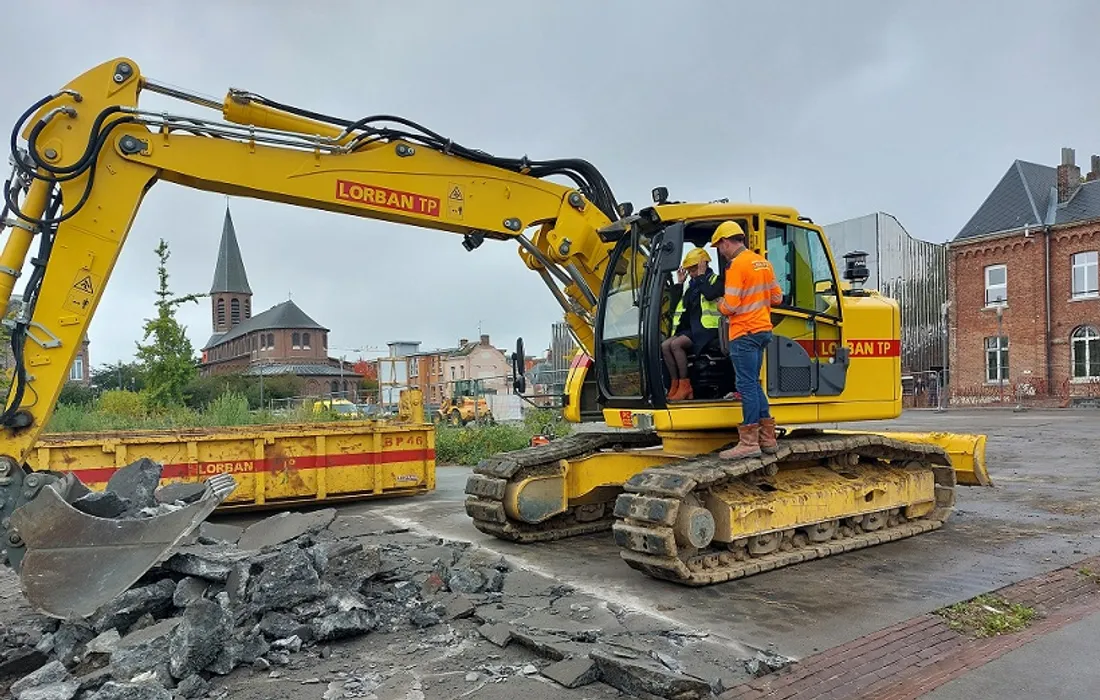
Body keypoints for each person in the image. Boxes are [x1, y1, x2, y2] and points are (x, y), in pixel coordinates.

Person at [710, 220, 783, 459]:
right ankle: (768, 439)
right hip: (762, 329)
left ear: (726, 242)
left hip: (744, 332)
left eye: (719, 246)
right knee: (754, 383)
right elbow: (777, 298)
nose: (720, 251)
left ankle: (749, 443)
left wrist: (719, 304)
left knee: (746, 385)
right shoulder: (763, 263)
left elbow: (730, 306)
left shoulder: (736, 266)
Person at [661, 247, 723, 400]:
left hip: (707, 330)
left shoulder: (716, 280)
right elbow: (676, 307)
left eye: (694, 269)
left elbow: (710, 295)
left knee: (676, 345)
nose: (692, 273)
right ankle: (675, 384)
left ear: (704, 264)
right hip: (692, 329)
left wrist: (701, 276)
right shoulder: (692, 286)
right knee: (665, 346)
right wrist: (680, 284)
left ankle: (685, 385)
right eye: (690, 270)